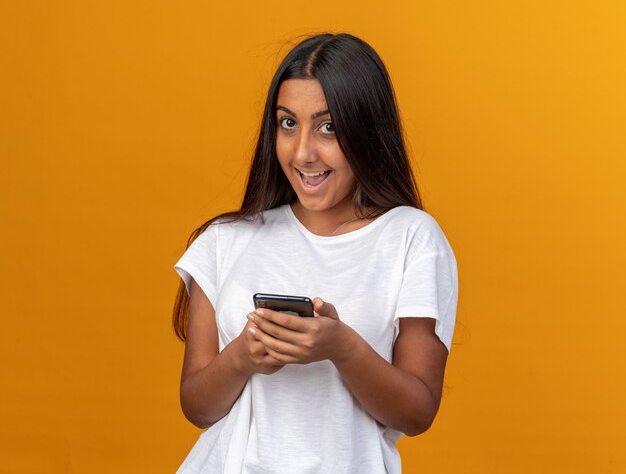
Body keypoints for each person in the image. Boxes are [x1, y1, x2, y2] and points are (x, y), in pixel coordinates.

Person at [172, 32, 458, 474]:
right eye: (288, 123)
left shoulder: (411, 238)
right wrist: (242, 358)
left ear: (367, 130)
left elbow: (417, 412)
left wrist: (343, 347)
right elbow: (197, 407)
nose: (303, 152)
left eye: (328, 127)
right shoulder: (224, 240)